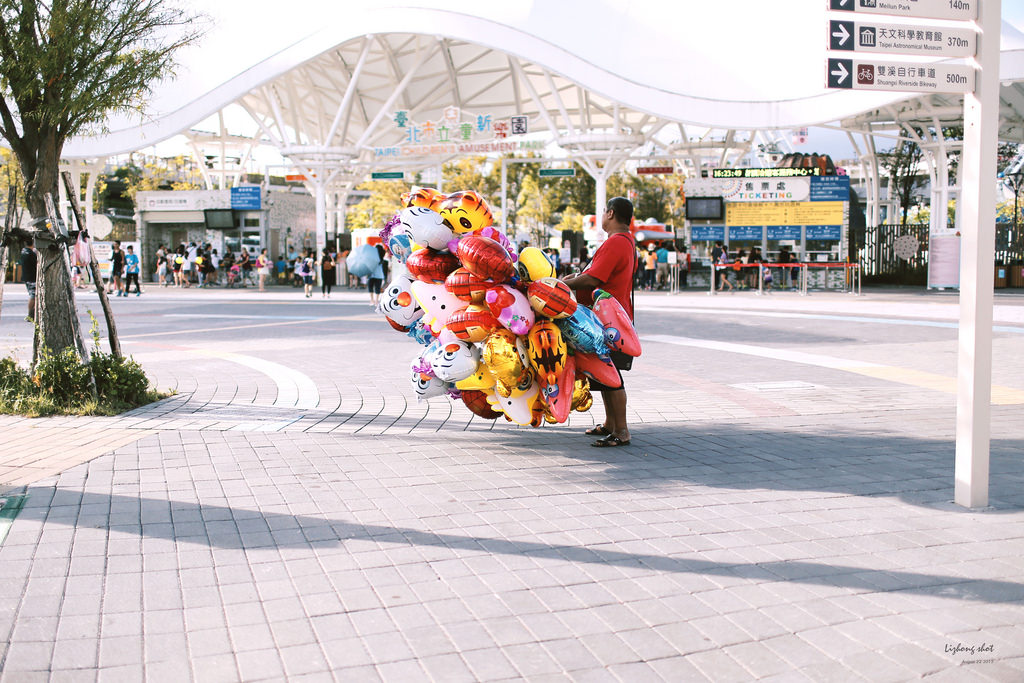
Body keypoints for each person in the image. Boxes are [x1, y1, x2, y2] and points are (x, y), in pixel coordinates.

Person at [562, 196, 637, 448]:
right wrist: (577, 277)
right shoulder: (623, 241)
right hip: (607, 317)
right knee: (604, 372)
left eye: (605, 211)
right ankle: (610, 423)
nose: (603, 215)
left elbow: (593, 279)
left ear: (612, 214)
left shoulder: (617, 242)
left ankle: (622, 431)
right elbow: (592, 274)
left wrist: (562, 285)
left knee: (611, 374)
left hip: (607, 321)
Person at [20, 244, 37, 322]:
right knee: (33, 295)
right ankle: (30, 314)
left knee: (33, 295)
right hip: (32, 277)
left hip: (27, 277)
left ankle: (32, 313)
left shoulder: (24, 252)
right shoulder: (31, 254)